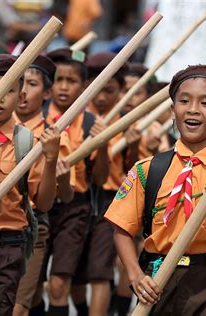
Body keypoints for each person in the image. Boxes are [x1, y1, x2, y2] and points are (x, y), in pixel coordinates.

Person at [105, 65, 206, 315]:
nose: (193, 109)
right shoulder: (149, 169)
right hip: (158, 277)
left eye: (205, 103)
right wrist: (136, 275)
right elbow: (121, 229)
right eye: (184, 101)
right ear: (172, 110)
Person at [0, 54, 60, 315]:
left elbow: (45, 203)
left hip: (6, 245)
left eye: (9, 90)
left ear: (19, 95)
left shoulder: (26, 141)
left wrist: (50, 160)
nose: (0, 98)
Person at [44, 48, 109, 315]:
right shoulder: (37, 119)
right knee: (35, 289)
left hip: (74, 210)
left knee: (60, 284)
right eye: (58, 80)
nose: (62, 87)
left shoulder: (90, 122)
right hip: (41, 206)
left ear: (84, 87)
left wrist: (102, 145)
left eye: (70, 81)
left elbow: (100, 178)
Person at [12, 54, 74, 316]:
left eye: (33, 84)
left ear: (47, 92)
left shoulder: (53, 137)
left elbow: (65, 196)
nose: (23, 92)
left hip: (31, 226)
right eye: (18, 84)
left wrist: (59, 175)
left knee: (18, 306)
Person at [68, 52, 127, 315]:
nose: (102, 97)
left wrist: (133, 142)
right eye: (97, 90)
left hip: (111, 201)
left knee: (100, 271)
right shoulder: (78, 118)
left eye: (110, 90)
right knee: (74, 272)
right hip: (77, 200)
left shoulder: (127, 121)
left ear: (122, 89)